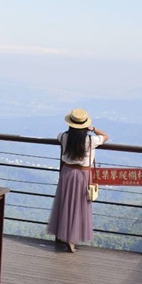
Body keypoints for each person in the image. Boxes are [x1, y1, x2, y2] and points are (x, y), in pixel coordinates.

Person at [46, 108, 108, 253]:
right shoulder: (91, 140)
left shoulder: (63, 137)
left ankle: (65, 236)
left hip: (67, 173)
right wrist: (94, 129)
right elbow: (105, 136)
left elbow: (59, 136)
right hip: (83, 175)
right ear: (85, 125)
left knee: (65, 204)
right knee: (79, 207)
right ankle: (72, 240)